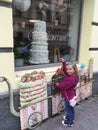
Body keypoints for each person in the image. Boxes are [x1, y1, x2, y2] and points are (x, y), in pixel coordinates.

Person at [56, 58, 79, 127]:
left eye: (70, 69)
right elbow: (65, 71)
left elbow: (64, 86)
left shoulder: (71, 78)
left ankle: (69, 122)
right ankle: (70, 118)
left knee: (68, 109)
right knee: (71, 108)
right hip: (71, 95)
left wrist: (58, 85)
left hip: (68, 96)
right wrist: (64, 62)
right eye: (67, 69)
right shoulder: (72, 75)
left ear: (74, 69)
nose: (68, 71)